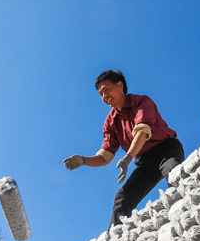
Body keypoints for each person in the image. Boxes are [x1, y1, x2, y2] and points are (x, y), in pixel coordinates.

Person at [64, 70, 185, 227]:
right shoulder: (110, 122)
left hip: (166, 150)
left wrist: (127, 159)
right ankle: (114, 240)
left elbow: (142, 132)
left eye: (106, 89)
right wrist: (83, 160)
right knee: (122, 198)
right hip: (145, 162)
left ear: (120, 85)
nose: (104, 96)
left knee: (174, 173)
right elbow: (105, 156)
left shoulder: (141, 102)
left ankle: (188, 207)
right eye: (100, 94)